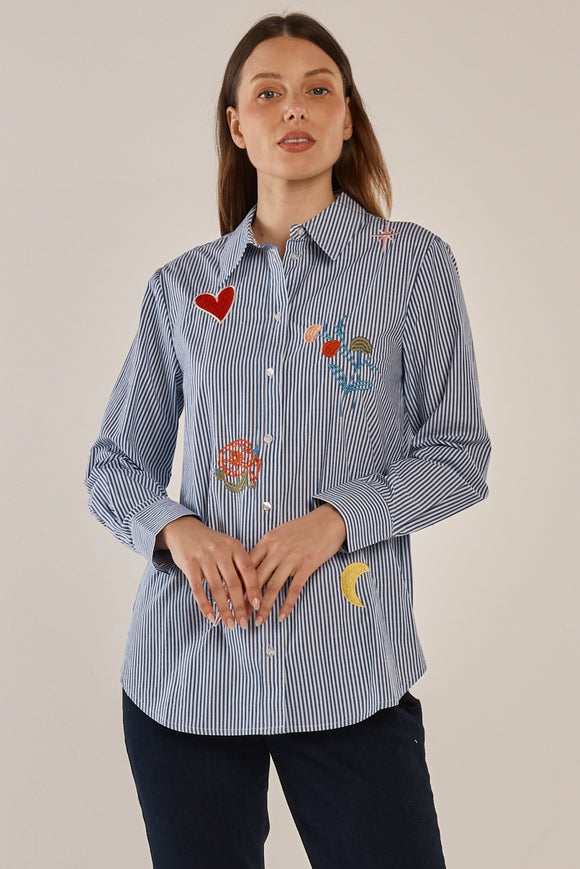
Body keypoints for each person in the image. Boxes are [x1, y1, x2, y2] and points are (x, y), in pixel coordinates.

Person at [85, 11, 490, 869]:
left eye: (317, 89)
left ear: (347, 119)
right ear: (238, 126)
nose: (293, 107)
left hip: (350, 673)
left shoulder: (413, 266)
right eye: (268, 93)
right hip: (186, 677)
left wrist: (335, 519)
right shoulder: (182, 290)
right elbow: (115, 466)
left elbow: (459, 454)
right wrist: (177, 529)